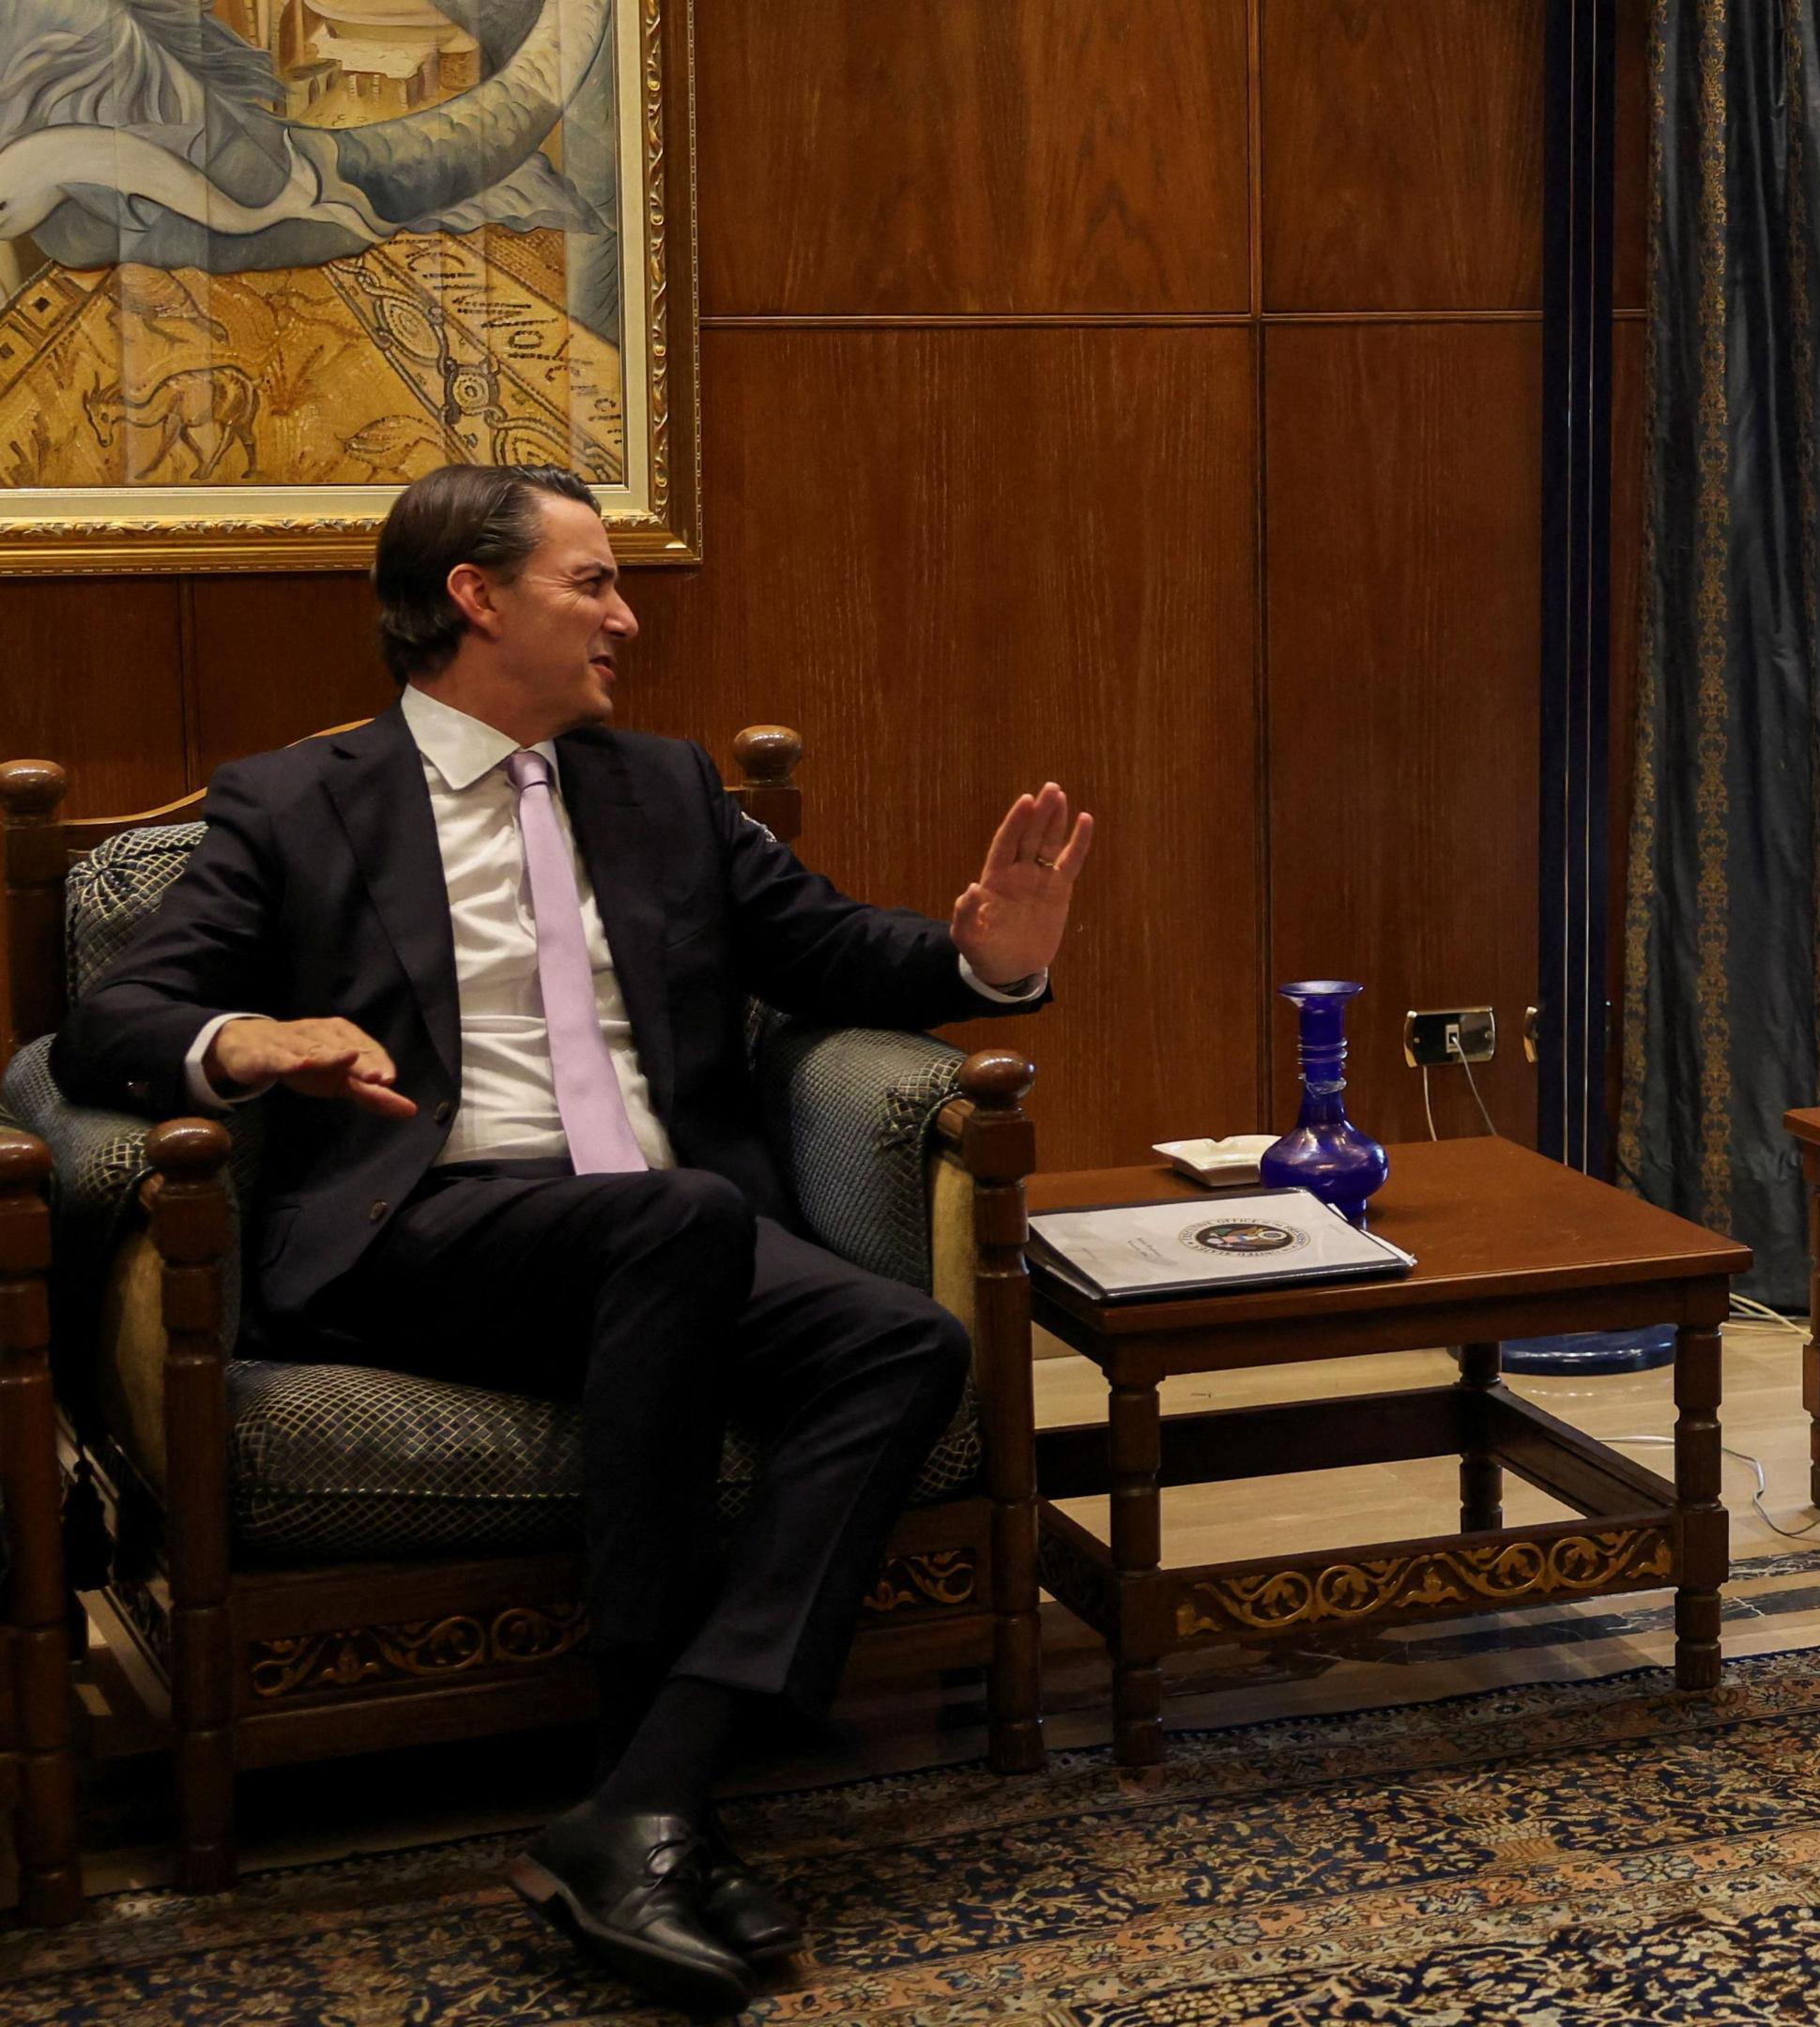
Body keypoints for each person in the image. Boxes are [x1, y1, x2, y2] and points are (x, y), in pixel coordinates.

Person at [52, 464, 1095, 2010]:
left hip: (655, 1231)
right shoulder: (295, 804)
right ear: (474, 597)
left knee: (905, 1342)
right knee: (675, 1222)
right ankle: (643, 1778)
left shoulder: (661, 787)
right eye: (591, 583)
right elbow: (108, 1023)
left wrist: (980, 957)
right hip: (427, 1229)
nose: (624, 615)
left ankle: (648, 1796)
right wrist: (250, 1040)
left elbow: (825, 949)